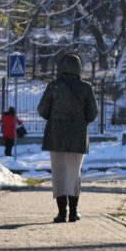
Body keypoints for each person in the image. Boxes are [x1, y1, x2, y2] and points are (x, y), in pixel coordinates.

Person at [37, 53, 98, 223]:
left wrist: (56, 118)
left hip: (56, 136)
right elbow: (92, 113)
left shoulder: (54, 86)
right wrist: (79, 121)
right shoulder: (86, 88)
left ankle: (61, 213)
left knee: (59, 175)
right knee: (74, 174)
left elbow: (42, 110)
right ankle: (74, 212)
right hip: (77, 138)